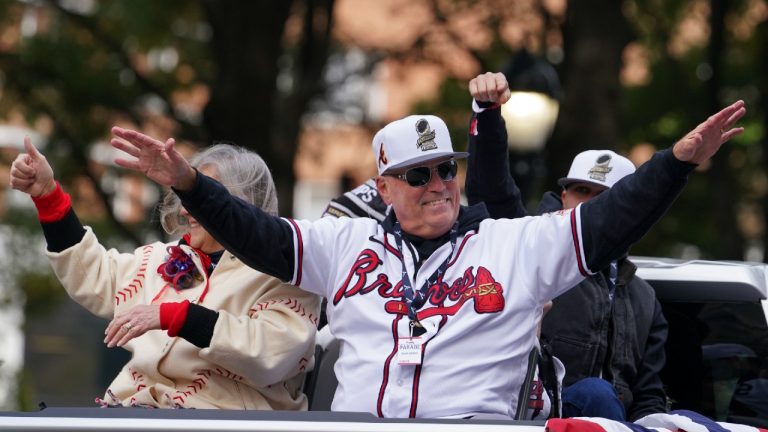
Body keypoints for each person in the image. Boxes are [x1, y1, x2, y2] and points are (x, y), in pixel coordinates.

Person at [108, 76, 745, 418]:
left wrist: (677, 161)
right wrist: (190, 184)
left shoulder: (512, 245)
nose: (438, 185)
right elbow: (259, 235)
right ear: (384, 186)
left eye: (446, 170)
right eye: (418, 175)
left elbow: (611, 221)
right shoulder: (345, 240)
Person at [9, 139, 320, 409]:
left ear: (240, 207)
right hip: (135, 414)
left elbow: (271, 353)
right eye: (186, 198)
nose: (185, 211)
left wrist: (179, 317)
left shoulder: (288, 272)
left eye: (201, 199)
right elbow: (95, 276)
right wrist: (48, 195)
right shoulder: (160, 258)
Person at [465, 72, 671, 421]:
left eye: (605, 199)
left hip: (614, 423)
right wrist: (486, 113)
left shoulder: (645, 300)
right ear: (563, 196)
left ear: (628, 212)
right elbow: (491, 192)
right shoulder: (528, 246)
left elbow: (648, 397)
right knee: (595, 393)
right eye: (582, 192)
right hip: (537, 419)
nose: (589, 206)